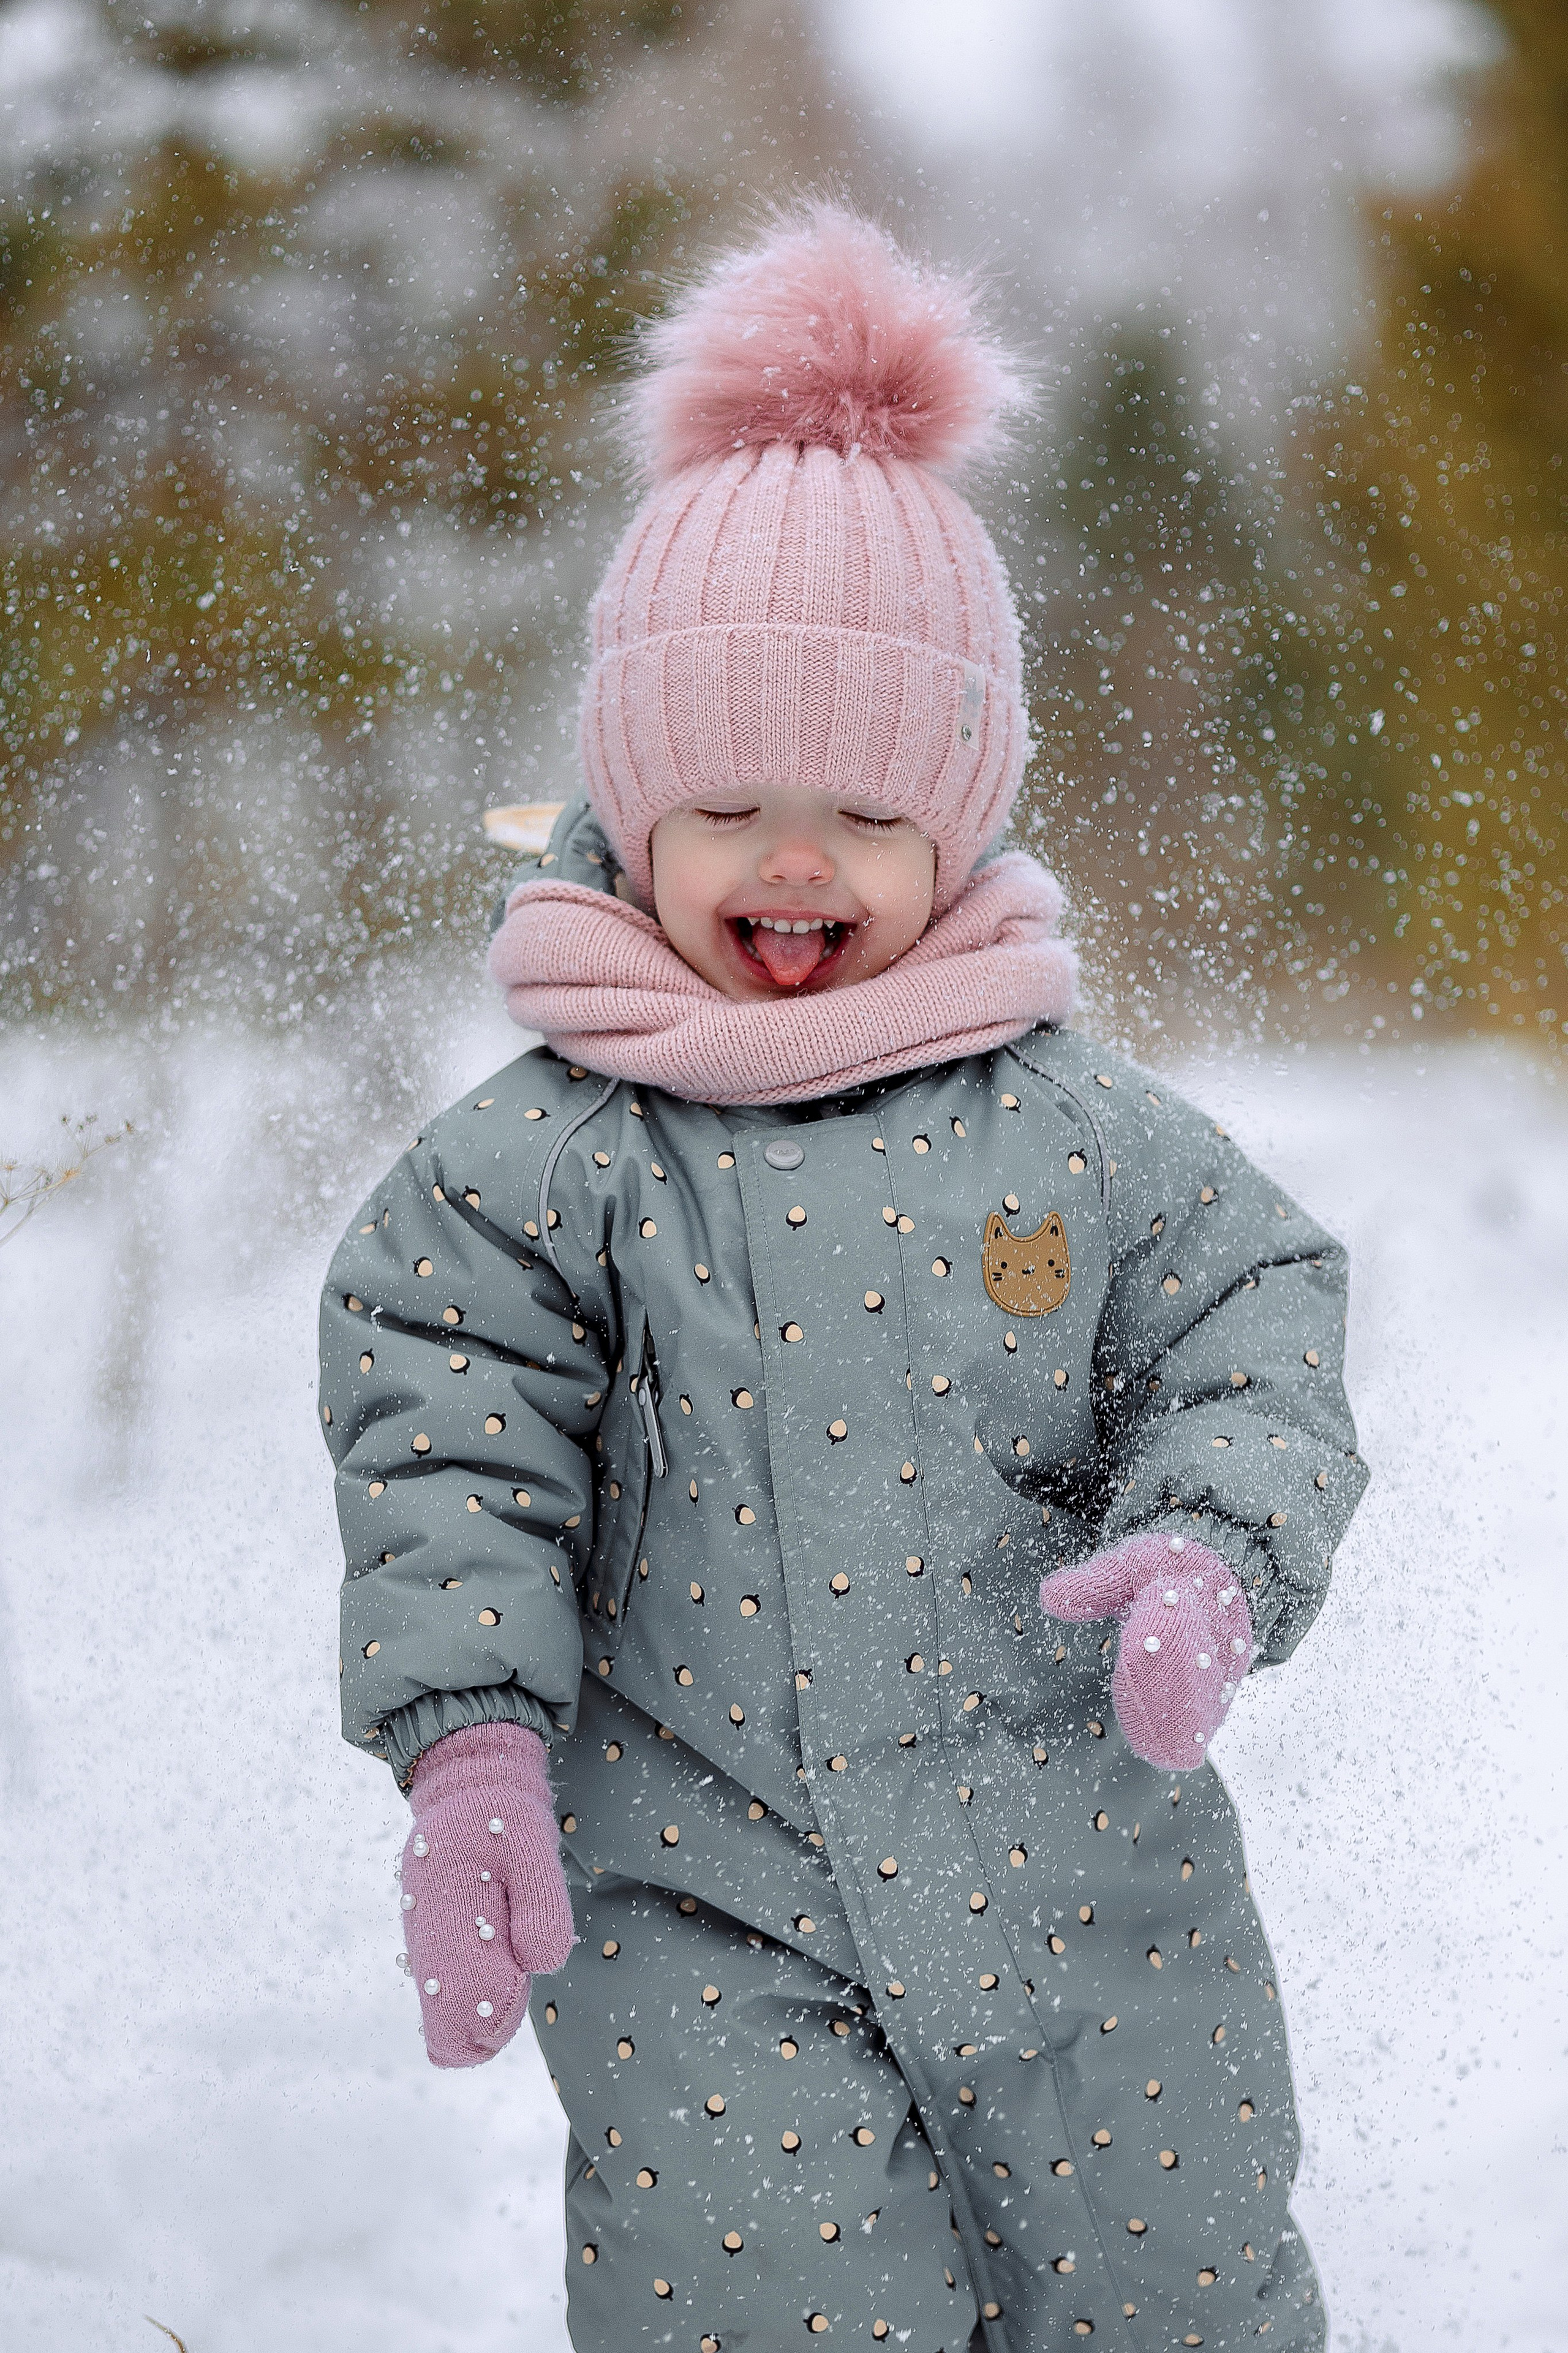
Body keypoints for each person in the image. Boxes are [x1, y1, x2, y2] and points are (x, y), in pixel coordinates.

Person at [318, 205, 1366, 2353]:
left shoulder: (1080, 1131)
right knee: (764, 2306)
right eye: (722, 804)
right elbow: (450, 1438)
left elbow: (1255, 1320)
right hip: (699, 1894)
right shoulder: (546, 1160)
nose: (792, 866)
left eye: (863, 815)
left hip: (1085, 1862)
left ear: (957, 825)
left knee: (1174, 2288)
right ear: (625, 803)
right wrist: (474, 1751)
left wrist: (1210, 1542)